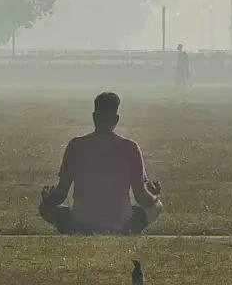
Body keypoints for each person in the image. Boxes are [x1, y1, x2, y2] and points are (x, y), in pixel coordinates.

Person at [38, 92, 163, 234]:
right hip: (121, 222)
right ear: (116, 119)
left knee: (44, 208)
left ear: (94, 117)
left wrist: (48, 199)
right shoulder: (130, 148)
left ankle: (78, 230)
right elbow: (142, 197)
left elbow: (61, 194)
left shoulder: (75, 146)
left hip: (80, 223)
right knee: (157, 206)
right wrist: (154, 196)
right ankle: (124, 231)